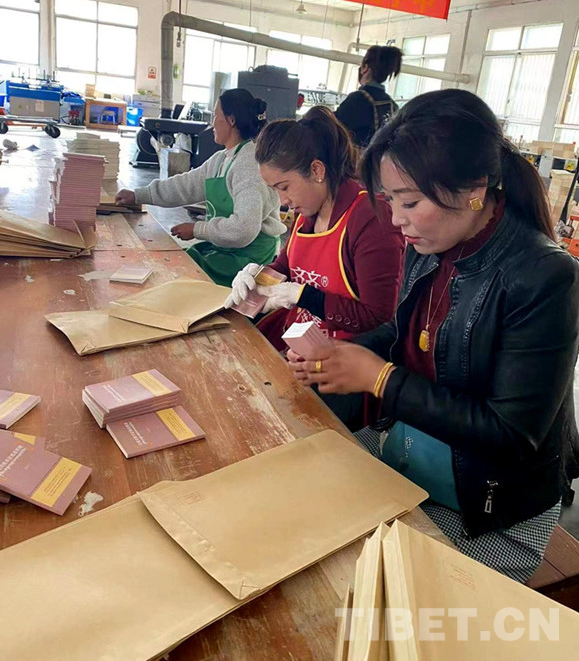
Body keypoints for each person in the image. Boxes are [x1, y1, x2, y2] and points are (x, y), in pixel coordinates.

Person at [288, 89, 579, 582]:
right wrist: (340, 354)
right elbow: (404, 331)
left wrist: (379, 379)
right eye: (390, 202)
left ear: (475, 190)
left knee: (358, 580)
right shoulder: (430, 242)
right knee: (299, 499)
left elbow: (511, 435)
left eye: (410, 202)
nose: (396, 220)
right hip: (412, 448)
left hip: (490, 507)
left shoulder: (545, 277)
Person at [225, 106, 405, 427]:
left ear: (317, 170)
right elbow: (285, 266)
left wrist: (303, 296)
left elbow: (378, 317)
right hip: (299, 348)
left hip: (342, 366)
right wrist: (257, 277)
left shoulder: (371, 219)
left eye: (284, 187)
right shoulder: (308, 212)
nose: (282, 201)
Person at [116, 89, 286, 286]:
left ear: (231, 120)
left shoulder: (249, 165)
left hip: (250, 260)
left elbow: (243, 229)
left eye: (215, 115)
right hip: (226, 249)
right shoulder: (221, 159)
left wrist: (198, 229)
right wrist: (139, 195)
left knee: (179, 274)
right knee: (178, 263)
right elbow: (184, 186)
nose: (212, 123)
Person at [335, 45, 402, 148]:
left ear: (365, 68)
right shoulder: (393, 106)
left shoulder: (358, 99)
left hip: (357, 157)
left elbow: (333, 127)